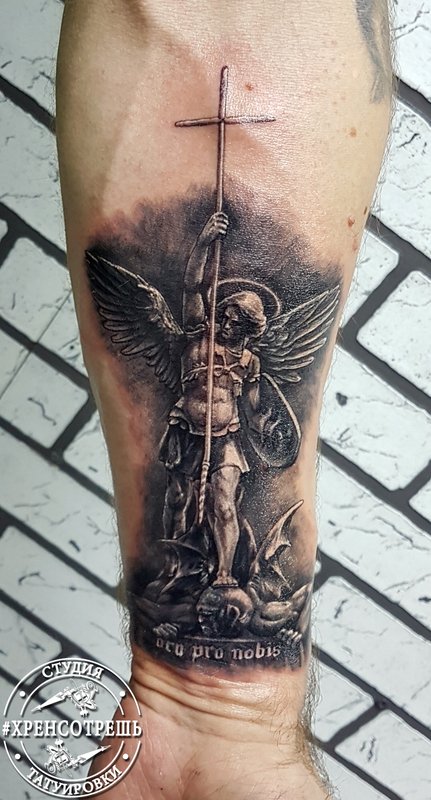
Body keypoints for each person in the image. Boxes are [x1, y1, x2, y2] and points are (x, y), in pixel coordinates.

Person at [56, 1, 392, 797]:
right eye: (223, 318)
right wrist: (207, 243)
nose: (225, 328)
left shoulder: (242, 360)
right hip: (185, 434)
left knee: (221, 510)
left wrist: (216, 717)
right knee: (184, 510)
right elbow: (183, 304)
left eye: (237, 323)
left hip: (228, 441)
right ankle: (199, 609)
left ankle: (229, 582)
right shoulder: (191, 338)